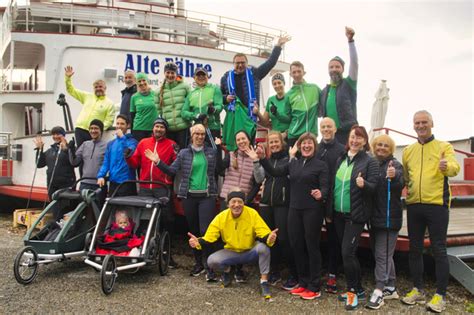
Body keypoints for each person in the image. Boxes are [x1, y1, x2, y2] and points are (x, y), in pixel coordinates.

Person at [253, 132, 329, 300]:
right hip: (294, 209)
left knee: (311, 246)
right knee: (296, 245)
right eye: (303, 144)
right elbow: (274, 171)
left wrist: (320, 194)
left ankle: (314, 286)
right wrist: (262, 159)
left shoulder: (320, 165)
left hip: (312, 210)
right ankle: (302, 282)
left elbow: (325, 187)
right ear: (299, 147)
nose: (306, 146)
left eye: (310, 143)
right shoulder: (293, 163)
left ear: (314, 146)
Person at [401, 110, 460, 313]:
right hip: (415, 204)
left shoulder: (444, 146)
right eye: (417, 122)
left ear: (432, 123)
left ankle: (440, 294)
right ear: (413, 125)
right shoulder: (408, 150)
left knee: (438, 249)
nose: (420, 125)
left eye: (424, 122)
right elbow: (406, 176)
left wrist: (446, 166)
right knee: (414, 249)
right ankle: (417, 288)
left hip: (437, 205)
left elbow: (454, 167)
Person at [146, 124, 219, 281]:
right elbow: (172, 171)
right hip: (189, 196)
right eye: (197, 134)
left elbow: (219, 170)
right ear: (191, 135)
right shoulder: (184, 153)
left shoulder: (211, 152)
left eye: (202, 134)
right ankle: (198, 263)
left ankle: (209, 266)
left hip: (207, 196)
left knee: (206, 231)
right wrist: (158, 162)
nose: (200, 136)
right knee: (193, 231)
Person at [187, 189, 278, 299]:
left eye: (240, 202)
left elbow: (263, 233)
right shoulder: (221, 217)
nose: (236, 205)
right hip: (231, 252)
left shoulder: (252, 214)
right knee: (211, 261)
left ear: (244, 203)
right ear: (228, 203)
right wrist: (198, 241)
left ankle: (264, 282)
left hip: (249, 251)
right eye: (233, 202)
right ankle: (227, 271)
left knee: (263, 248)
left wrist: (270, 237)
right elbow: (210, 237)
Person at [332, 125, 378, 310]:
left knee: (347, 253)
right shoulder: (341, 159)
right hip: (338, 214)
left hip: (355, 215)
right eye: (352, 137)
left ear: (365, 141)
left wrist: (363, 183)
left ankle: (352, 292)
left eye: (359, 138)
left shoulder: (369, 161)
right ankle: (357, 288)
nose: (355, 140)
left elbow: (374, 187)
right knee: (347, 254)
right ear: (348, 139)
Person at [220, 36, 291, 151]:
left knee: (248, 147)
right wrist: (225, 98)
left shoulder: (255, 74)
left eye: (243, 62)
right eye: (237, 63)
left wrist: (278, 46)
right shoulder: (226, 78)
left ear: (247, 63)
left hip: (249, 117)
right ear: (233, 63)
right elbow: (219, 96)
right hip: (234, 118)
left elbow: (270, 63)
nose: (240, 65)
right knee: (234, 148)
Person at [126, 117, 179, 267]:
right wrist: (128, 157)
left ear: (166, 130)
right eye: (156, 126)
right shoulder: (143, 143)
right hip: (144, 187)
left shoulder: (172, 145)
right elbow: (135, 163)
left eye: (162, 127)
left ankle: (167, 254)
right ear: (153, 128)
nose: (159, 129)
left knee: (167, 220)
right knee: (144, 220)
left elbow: (176, 165)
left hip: (162, 187)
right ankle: (142, 252)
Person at [253, 131, 297, 290]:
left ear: (282, 142)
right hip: (267, 204)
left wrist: (263, 160)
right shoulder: (268, 160)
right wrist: (257, 162)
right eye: (270, 142)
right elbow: (259, 179)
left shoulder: (289, 159)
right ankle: (275, 271)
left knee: (284, 239)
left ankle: (293, 273)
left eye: (276, 141)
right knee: (270, 240)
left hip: (282, 204)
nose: (273, 144)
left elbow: (279, 172)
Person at [365, 134, 404, 310]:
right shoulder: (373, 163)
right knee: (383, 254)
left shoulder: (394, 164)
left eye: (385, 146)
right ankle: (391, 286)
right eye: (378, 145)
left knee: (382, 255)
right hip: (374, 217)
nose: (381, 148)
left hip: (389, 217)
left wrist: (394, 176)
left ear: (391, 149)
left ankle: (380, 289)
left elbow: (400, 183)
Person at [315, 117, 346, 294]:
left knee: (334, 240)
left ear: (335, 129)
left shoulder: (342, 150)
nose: (326, 129)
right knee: (313, 238)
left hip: (333, 201)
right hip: (315, 201)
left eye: (329, 127)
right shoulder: (316, 149)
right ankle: (316, 271)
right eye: (323, 127)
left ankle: (333, 273)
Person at [319, 27, 358, 145]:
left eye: (337, 67)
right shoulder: (324, 91)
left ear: (342, 69)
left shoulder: (349, 83)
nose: (334, 69)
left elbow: (354, 63)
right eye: (331, 67)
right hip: (329, 135)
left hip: (347, 133)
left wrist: (351, 41)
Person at [64, 65, 115, 148]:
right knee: (80, 155)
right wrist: (67, 78)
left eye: (100, 87)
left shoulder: (109, 103)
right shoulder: (87, 96)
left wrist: (98, 129)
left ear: (105, 88)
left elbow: (109, 121)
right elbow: (71, 90)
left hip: (93, 133)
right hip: (80, 129)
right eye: (96, 87)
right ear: (93, 88)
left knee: (90, 155)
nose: (98, 89)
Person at [97, 114, 138, 197]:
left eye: (122, 124)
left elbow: (128, 153)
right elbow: (106, 162)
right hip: (113, 183)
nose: (119, 126)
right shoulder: (111, 144)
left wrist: (123, 137)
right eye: (117, 123)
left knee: (126, 209)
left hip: (127, 183)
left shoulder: (133, 142)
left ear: (128, 125)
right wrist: (101, 176)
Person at [68, 119, 107, 203]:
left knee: (98, 212)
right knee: (83, 212)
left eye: (96, 128)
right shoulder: (85, 144)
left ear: (101, 130)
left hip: (99, 185)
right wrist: (71, 150)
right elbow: (74, 162)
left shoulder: (107, 146)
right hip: (84, 184)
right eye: (91, 128)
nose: (93, 131)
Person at [155, 62, 191, 149]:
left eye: (172, 73)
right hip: (169, 129)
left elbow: (191, 104)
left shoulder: (185, 87)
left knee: (183, 153)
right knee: (171, 155)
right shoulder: (158, 91)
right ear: (164, 73)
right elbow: (159, 111)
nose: (170, 75)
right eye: (168, 72)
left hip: (183, 128)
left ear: (176, 74)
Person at [34, 126, 76, 199]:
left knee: (66, 207)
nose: (55, 136)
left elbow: (74, 162)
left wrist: (67, 150)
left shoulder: (70, 147)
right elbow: (39, 164)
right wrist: (39, 150)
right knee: (54, 207)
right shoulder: (50, 151)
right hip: (52, 184)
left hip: (66, 184)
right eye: (53, 134)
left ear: (63, 135)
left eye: (58, 134)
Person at [181, 67, 223, 141]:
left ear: (207, 77)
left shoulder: (215, 89)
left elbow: (219, 106)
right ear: (194, 78)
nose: (201, 77)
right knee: (197, 152)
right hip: (197, 130)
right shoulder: (191, 94)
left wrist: (213, 109)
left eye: (203, 75)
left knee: (214, 152)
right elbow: (184, 112)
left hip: (213, 128)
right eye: (198, 75)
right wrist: (196, 115)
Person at [286, 61, 321, 147]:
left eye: (299, 71)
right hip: (294, 135)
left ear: (304, 72)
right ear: (290, 74)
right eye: (294, 72)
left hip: (311, 134)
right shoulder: (288, 94)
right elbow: (287, 117)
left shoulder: (314, 88)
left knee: (311, 160)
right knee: (294, 160)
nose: (297, 74)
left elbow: (325, 102)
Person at [254, 73, 291, 137]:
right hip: (275, 136)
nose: (277, 85)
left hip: (288, 135)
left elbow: (292, 119)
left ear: (284, 83)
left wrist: (286, 133)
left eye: (279, 83)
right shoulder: (271, 100)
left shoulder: (290, 98)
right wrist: (258, 112)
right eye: (274, 84)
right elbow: (265, 122)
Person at [130, 72, 158, 142]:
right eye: (139, 81)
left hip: (153, 129)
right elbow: (132, 115)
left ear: (147, 81)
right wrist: (132, 131)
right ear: (136, 83)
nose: (142, 83)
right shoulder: (134, 97)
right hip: (138, 129)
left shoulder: (155, 94)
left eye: (144, 80)